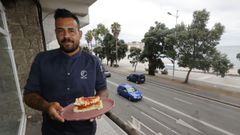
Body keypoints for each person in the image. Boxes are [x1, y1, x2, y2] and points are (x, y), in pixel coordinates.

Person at [23, 8, 108, 135]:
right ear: (56, 34)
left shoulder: (93, 61)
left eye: (71, 30)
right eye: (60, 31)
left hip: (85, 130)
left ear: (79, 34)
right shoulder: (42, 60)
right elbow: (29, 95)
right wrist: (47, 106)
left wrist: (97, 105)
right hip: (52, 130)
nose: (66, 36)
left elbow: (103, 91)